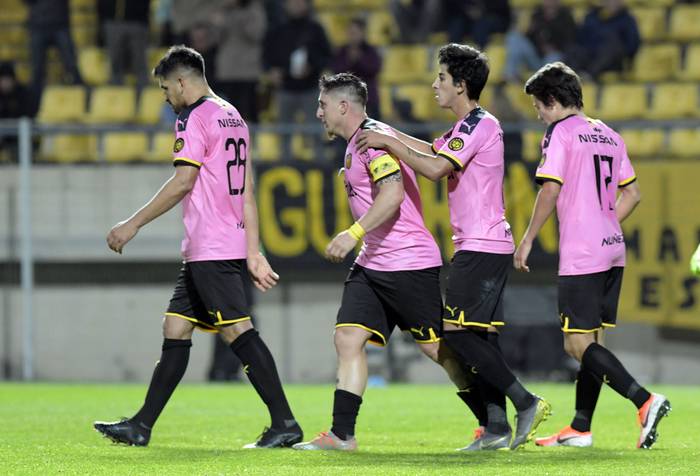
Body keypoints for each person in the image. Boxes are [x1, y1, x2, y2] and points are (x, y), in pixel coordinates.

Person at [93, 45, 302, 449]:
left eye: (166, 88)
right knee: (176, 326)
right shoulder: (233, 115)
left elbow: (183, 182)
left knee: (238, 331)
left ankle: (285, 422)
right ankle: (141, 425)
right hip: (219, 243)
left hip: (212, 244)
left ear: (182, 81)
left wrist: (131, 224)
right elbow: (247, 188)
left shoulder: (194, 117)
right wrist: (253, 249)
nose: (166, 97)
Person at [355, 43, 551, 451]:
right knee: (483, 339)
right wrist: (389, 134)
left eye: (441, 78)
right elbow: (431, 151)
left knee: (453, 332)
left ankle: (526, 402)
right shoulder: (465, 127)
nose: (434, 85)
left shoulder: (481, 124)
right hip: (480, 244)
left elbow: (436, 168)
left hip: (482, 244)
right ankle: (497, 428)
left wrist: (388, 144)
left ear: (461, 85)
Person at [293, 73, 488, 451]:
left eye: (323, 105)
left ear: (343, 106)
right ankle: (342, 435)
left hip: (408, 261)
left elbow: (393, 194)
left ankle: (491, 418)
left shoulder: (372, 140)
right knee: (348, 337)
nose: (318, 113)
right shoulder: (358, 142)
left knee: (437, 350)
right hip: (374, 263)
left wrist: (352, 233)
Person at [515, 61, 670, 449]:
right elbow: (632, 193)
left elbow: (549, 190)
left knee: (575, 345)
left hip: (582, 250)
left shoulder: (559, 134)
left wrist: (529, 237)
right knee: (593, 338)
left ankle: (645, 400)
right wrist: (604, 221)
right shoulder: (609, 134)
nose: (537, 114)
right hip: (612, 247)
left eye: (537, 106)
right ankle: (581, 427)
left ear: (551, 101)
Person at [262, 0, 332, 160]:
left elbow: (327, 56)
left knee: (315, 130)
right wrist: (271, 72)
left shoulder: (315, 29)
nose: (296, 5)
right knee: (284, 131)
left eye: (300, 2)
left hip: (311, 89)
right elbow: (266, 57)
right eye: (292, 2)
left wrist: (313, 67)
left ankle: (319, 165)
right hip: (285, 89)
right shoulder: (277, 30)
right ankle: (285, 164)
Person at [504, 0, 576, 83]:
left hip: (552, 58)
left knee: (554, 56)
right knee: (513, 36)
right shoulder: (537, 15)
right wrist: (531, 33)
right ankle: (511, 75)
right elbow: (530, 39)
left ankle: (546, 84)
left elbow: (570, 41)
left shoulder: (566, 17)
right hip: (535, 58)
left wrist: (554, 48)